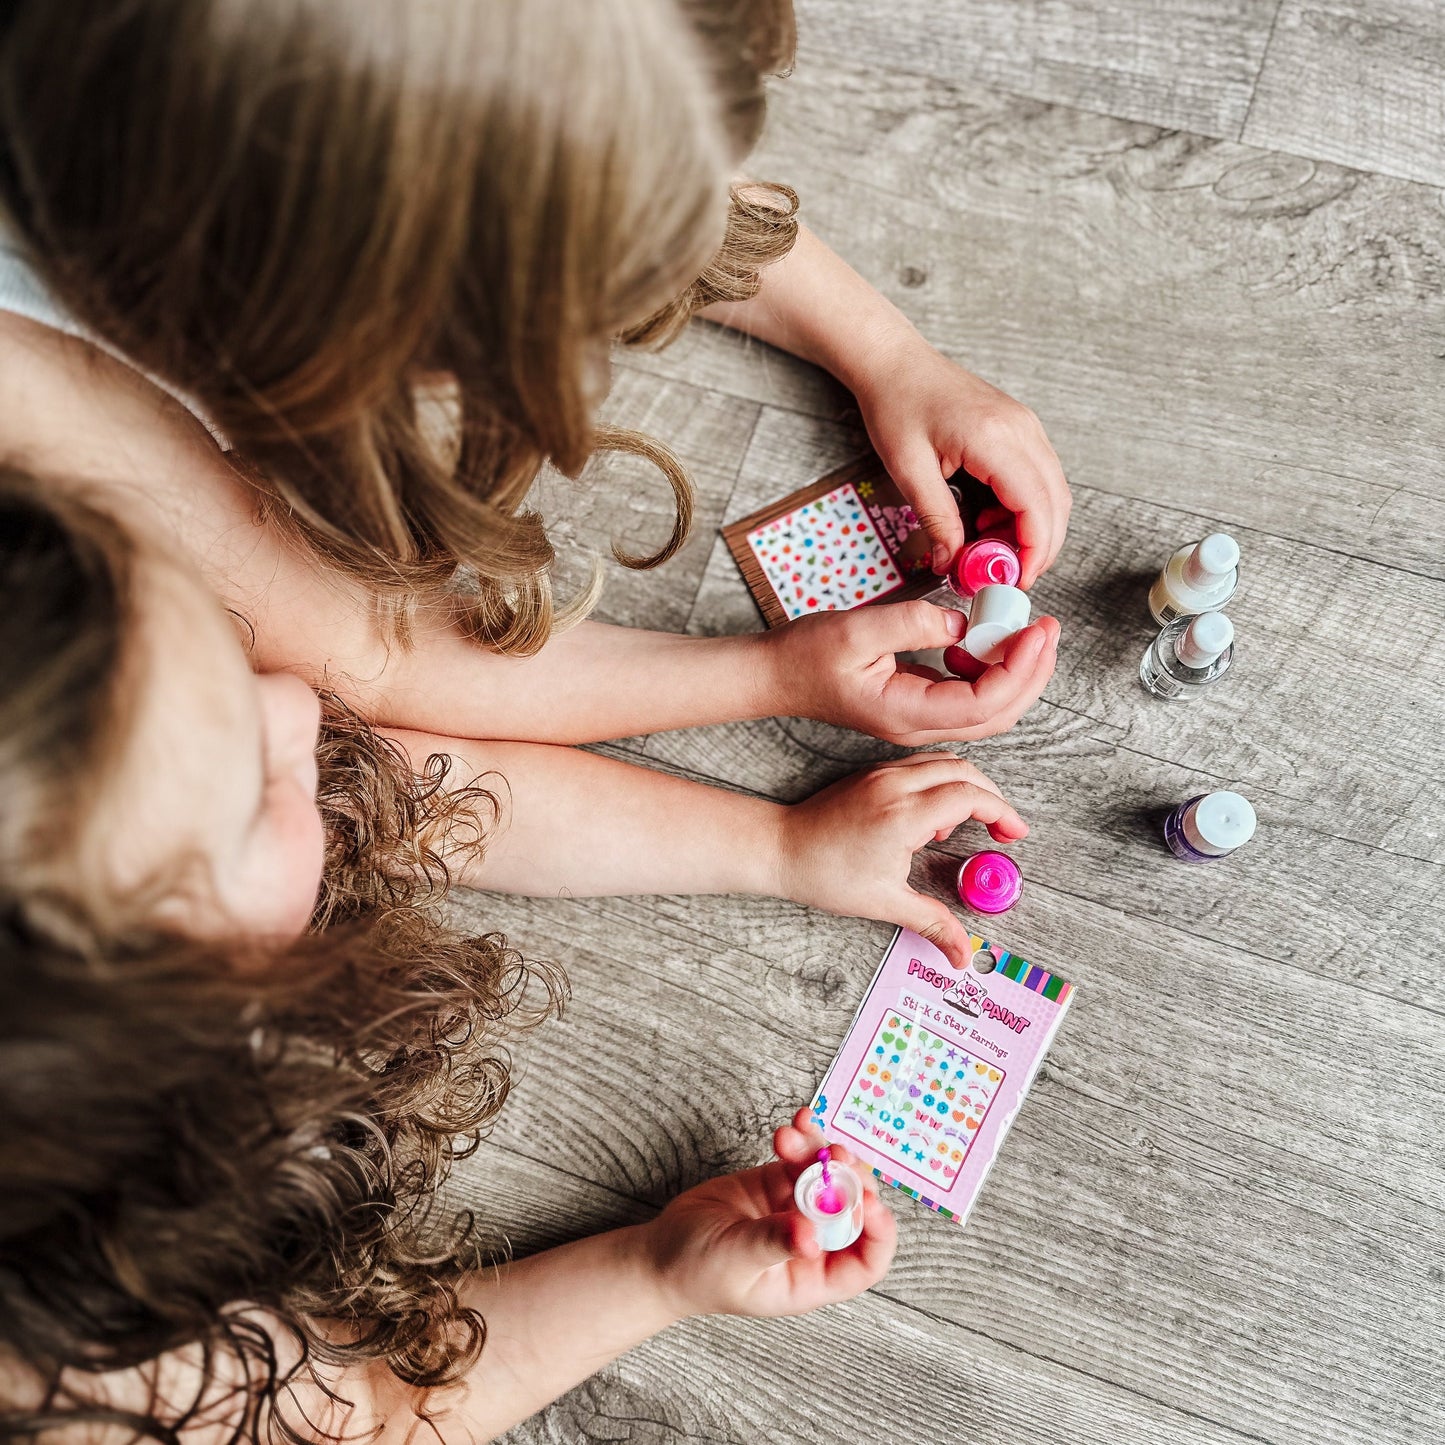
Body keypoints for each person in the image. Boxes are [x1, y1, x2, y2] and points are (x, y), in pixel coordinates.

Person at [0, 472, 1040, 1438]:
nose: (296, 700)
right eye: (246, 784)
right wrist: (650, 1277)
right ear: (166, 1003)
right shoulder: (85, 1369)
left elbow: (451, 794)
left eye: (228, 664)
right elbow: (365, 1409)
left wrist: (780, 844)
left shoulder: (88, 824)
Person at [0, 0, 1066, 761]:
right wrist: (770, 679)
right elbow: (368, 657)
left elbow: (591, 147)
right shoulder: (38, 389)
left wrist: (890, 355)